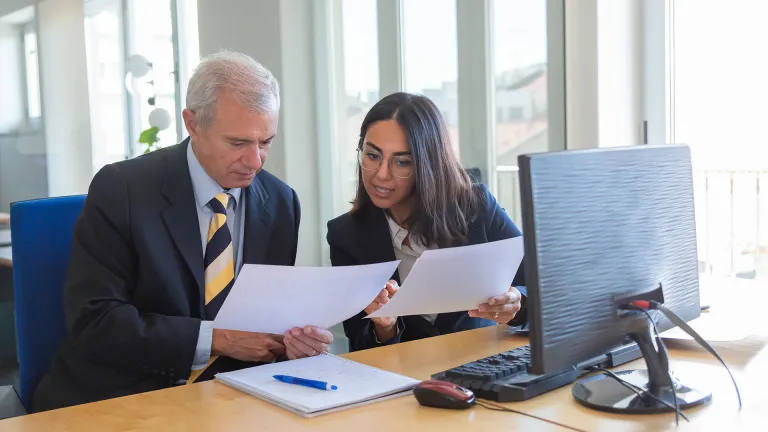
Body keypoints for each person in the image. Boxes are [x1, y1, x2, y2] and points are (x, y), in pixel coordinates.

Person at [32, 51, 332, 412]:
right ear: (192, 124)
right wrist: (215, 340)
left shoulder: (281, 202)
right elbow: (96, 322)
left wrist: (292, 343)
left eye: (265, 142)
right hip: (123, 396)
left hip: (232, 399)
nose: (255, 161)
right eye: (238, 143)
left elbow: (265, 317)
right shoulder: (122, 189)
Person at [327, 92, 526, 352]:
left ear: (428, 164)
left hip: (481, 368)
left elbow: (540, 286)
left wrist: (516, 302)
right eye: (372, 155)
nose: (381, 175)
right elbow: (359, 340)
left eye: (402, 161)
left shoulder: (477, 207)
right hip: (402, 379)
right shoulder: (346, 235)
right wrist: (385, 327)